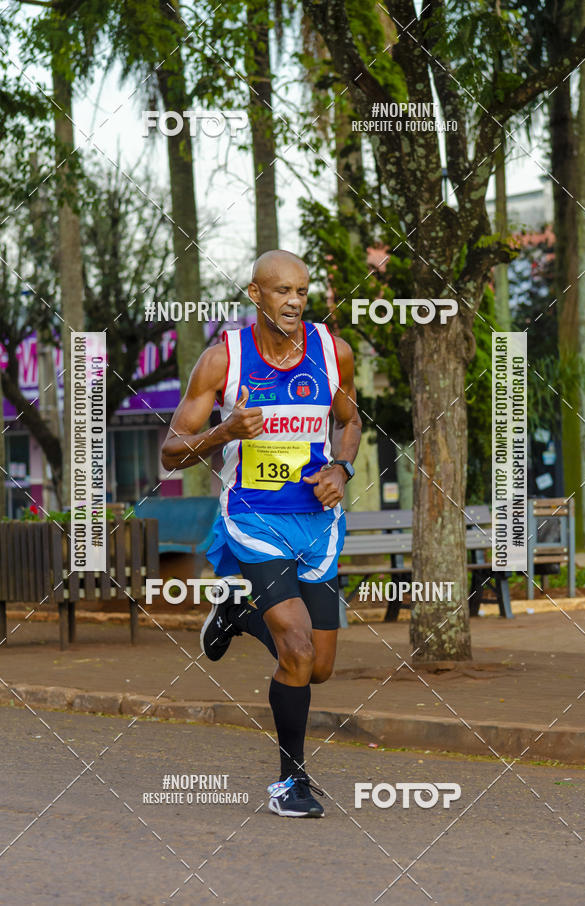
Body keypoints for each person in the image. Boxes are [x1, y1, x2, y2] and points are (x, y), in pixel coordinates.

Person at [161, 249, 361, 818]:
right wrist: (226, 428)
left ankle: (237, 617)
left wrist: (340, 469)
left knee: (318, 666)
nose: (295, 302)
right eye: (282, 292)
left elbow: (350, 421)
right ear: (255, 295)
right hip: (253, 520)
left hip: (318, 523)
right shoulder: (222, 361)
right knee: (296, 647)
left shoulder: (331, 352)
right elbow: (171, 450)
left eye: (302, 291)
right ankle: (289, 783)